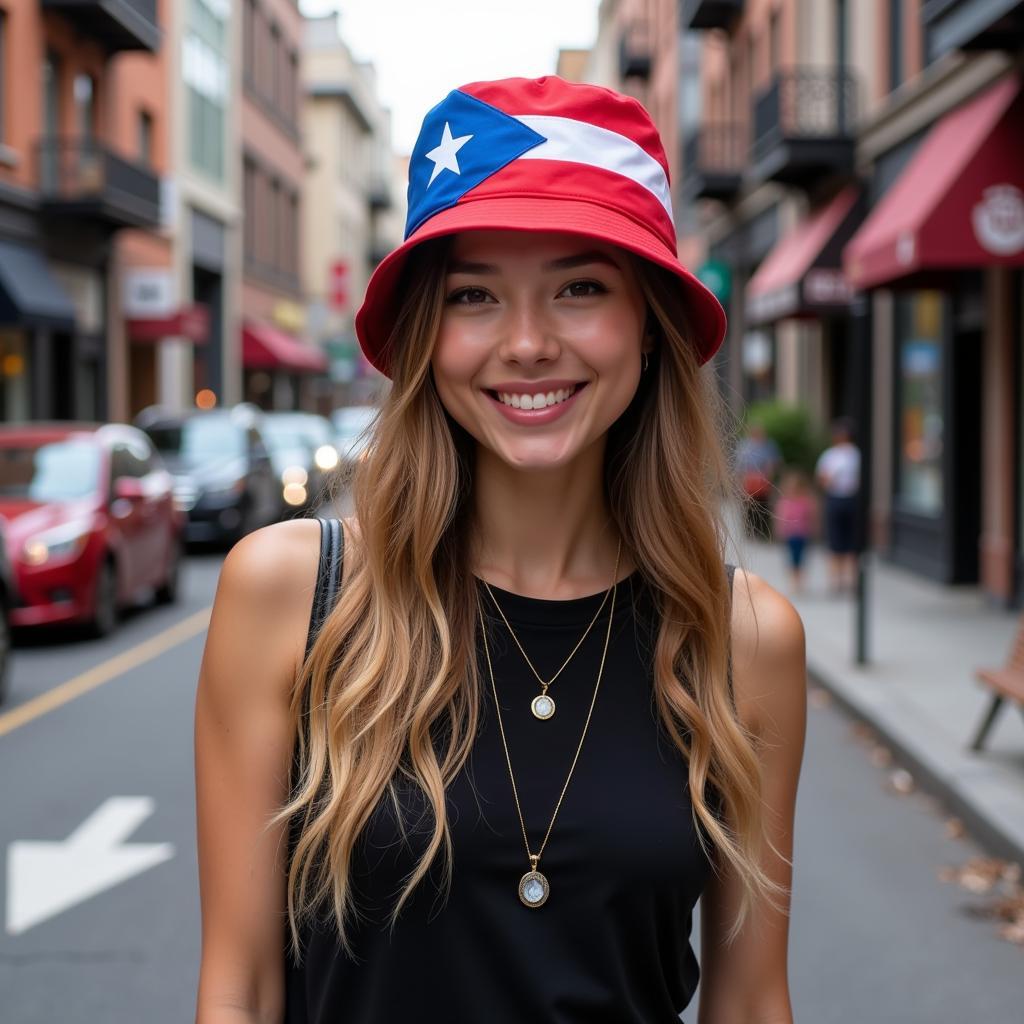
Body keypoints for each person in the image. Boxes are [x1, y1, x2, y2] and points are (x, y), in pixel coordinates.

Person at [194, 76, 807, 1024]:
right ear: (425, 337)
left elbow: (752, 1001)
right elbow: (240, 990)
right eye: (474, 295)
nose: (526, 342)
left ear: (647, 325)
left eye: (579, 288)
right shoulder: (289, 594)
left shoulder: (746, 639)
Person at [815, 416, 862, 596]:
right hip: (835, 498)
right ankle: (836, 581)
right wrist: (829, 481)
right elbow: (822, 479)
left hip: (851, 499)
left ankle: (850, 581)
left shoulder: (855, 455)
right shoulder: (830, 455)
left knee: (851, 542)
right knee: (835, 541)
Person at [773, 468, 818, 595]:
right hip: (790, 535)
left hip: (803, 534)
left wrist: (813, 528)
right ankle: (794, 581)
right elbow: (781, 518)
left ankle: (799, 581)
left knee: (802, 558)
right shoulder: (784, 503)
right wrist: (780, 530)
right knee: (792, 558)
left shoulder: (806, 502)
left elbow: (811, 516)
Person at [734, 421, 782, 540]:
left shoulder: (769, 445)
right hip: (749, 479)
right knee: (748, 506)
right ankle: (749, 532)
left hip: (763, 478)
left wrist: (769, 474)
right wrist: (740, 480)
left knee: (764, 507)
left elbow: (775, 462)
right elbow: (739, 464)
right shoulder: (744, 445)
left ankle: (763, 532)